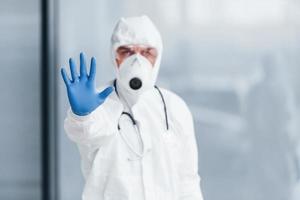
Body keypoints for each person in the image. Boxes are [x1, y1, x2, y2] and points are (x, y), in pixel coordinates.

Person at [61, 15, 204, 200]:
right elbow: (87, 134)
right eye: (127, 52)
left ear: (158, 57)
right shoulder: (99, 103)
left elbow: (188, 181)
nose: (137, 61)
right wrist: (82, 116)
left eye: (146, 53)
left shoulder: (174, 108)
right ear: (114, 56)